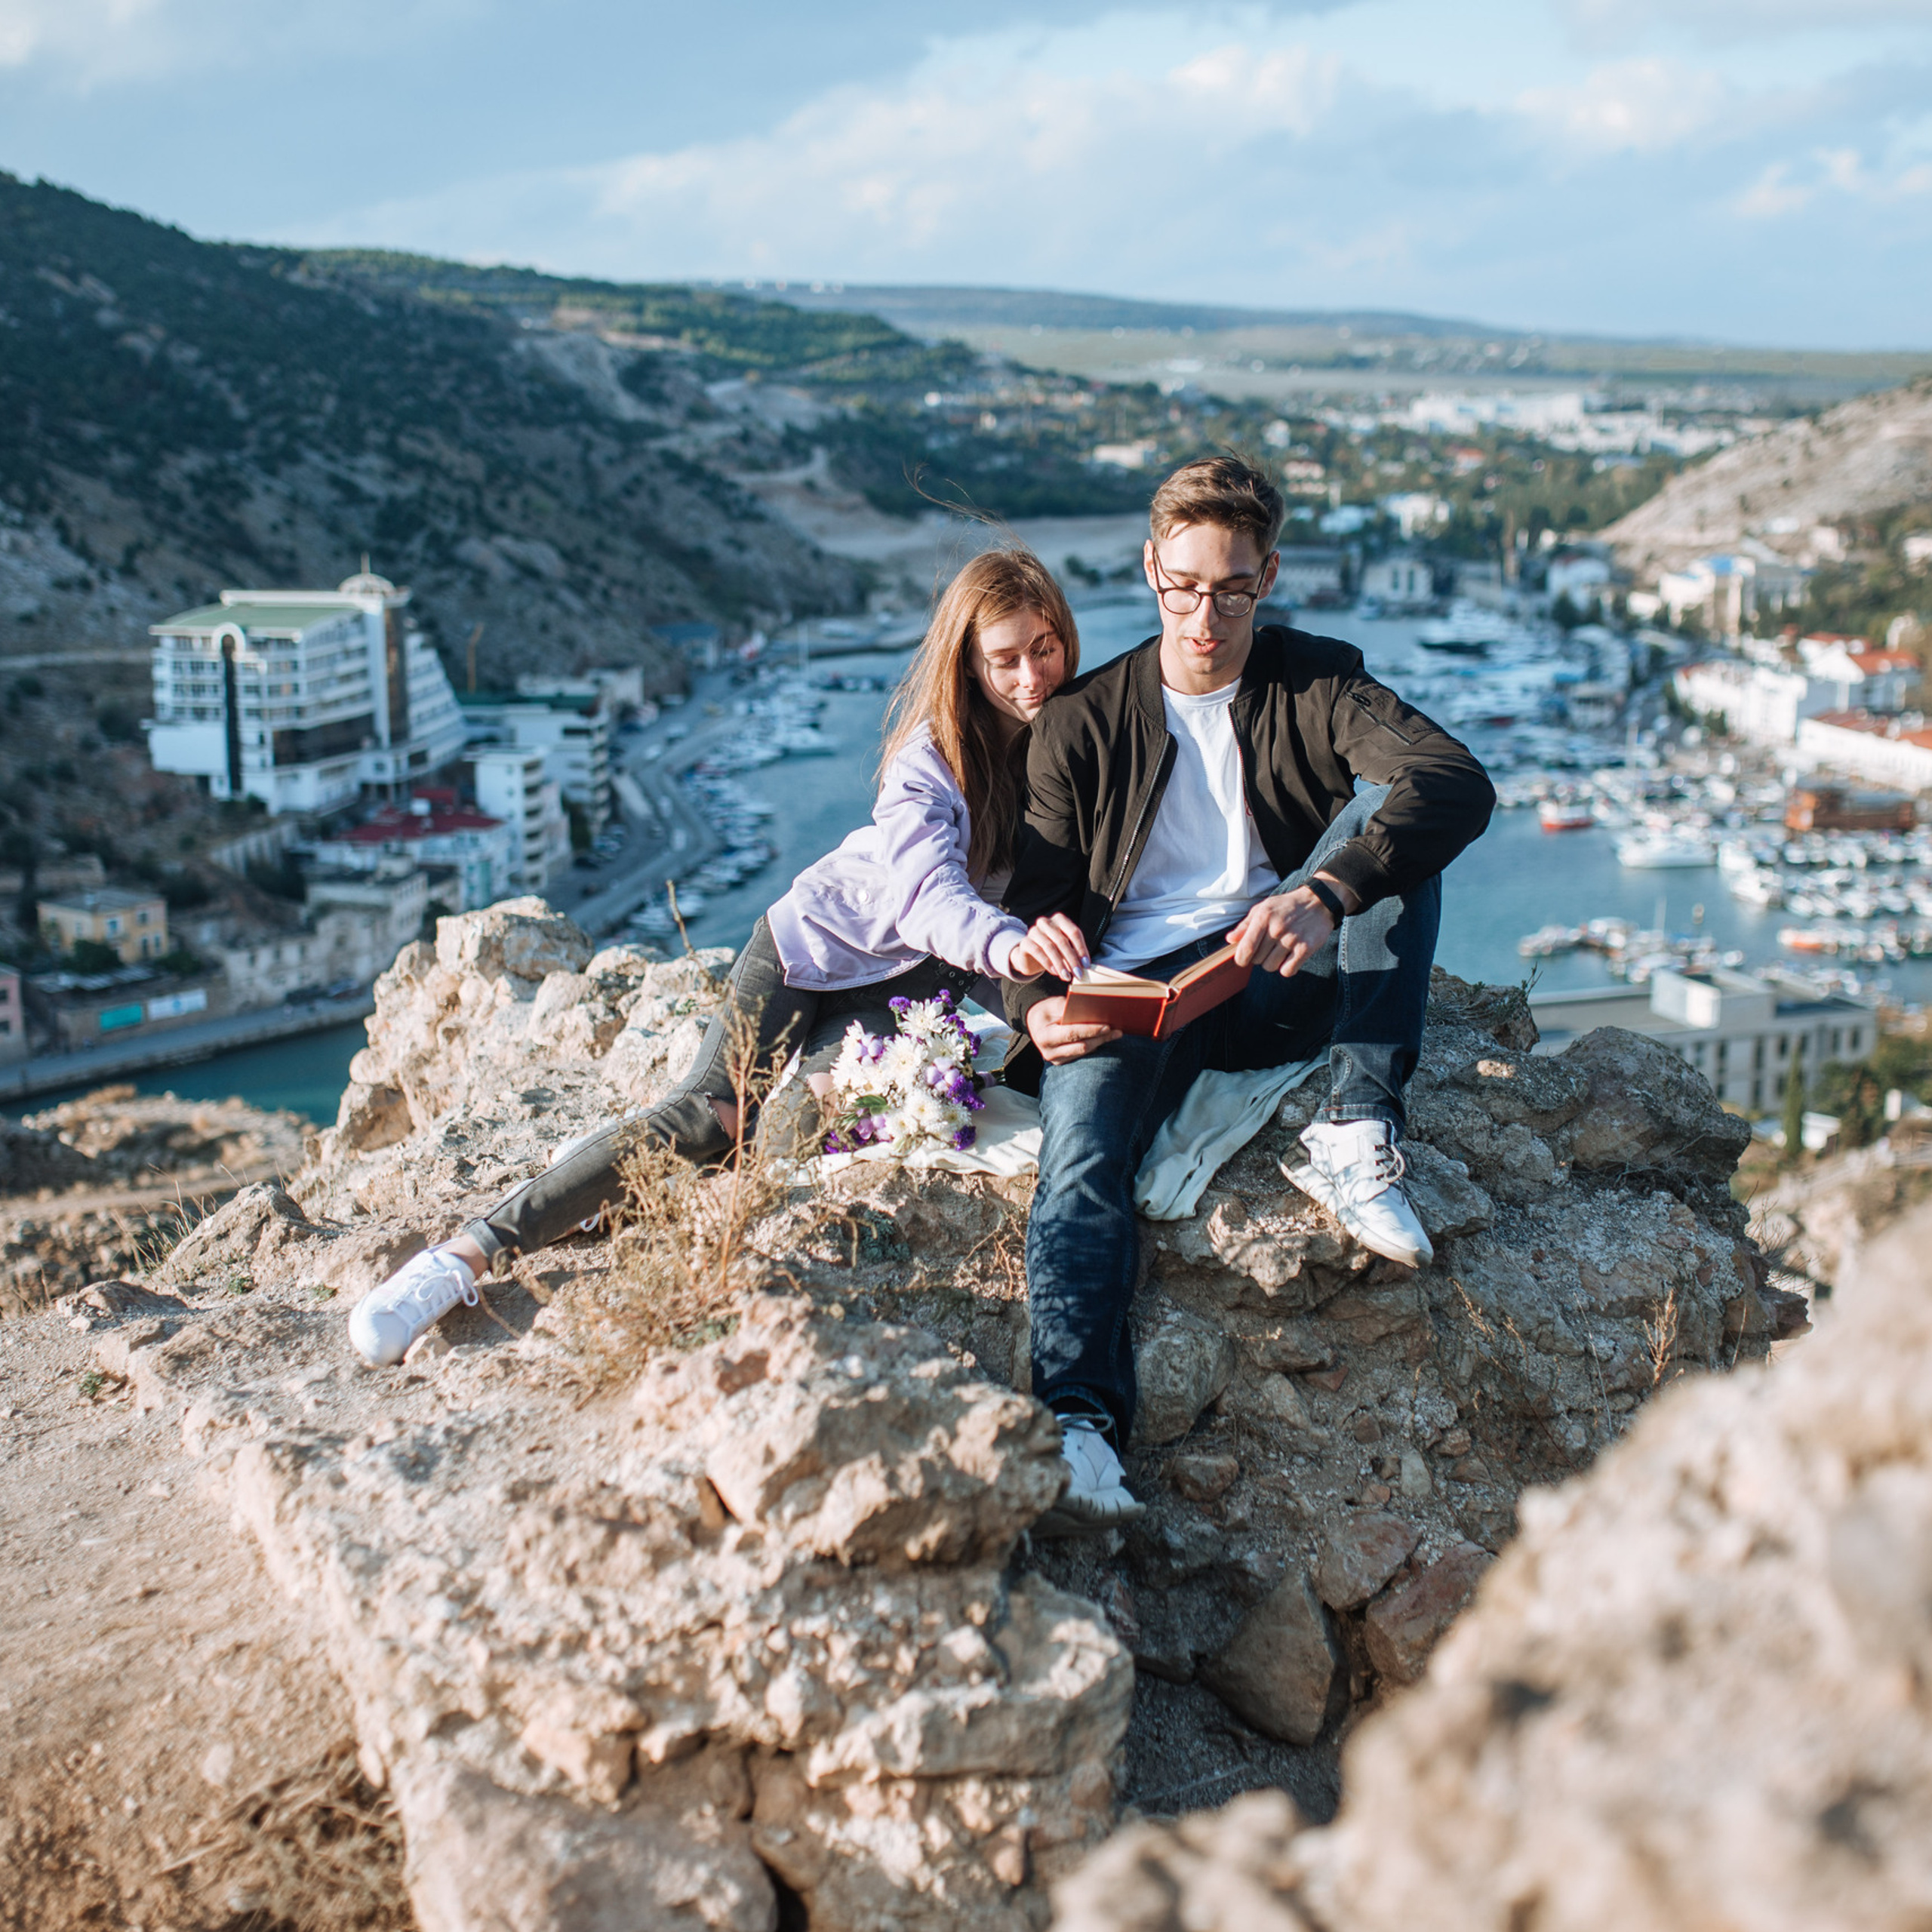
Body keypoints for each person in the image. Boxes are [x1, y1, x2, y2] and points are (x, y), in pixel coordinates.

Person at [349, 546, 1090, 1367]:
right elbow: (926, 896)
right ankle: (464, 1254)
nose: (1031, 677)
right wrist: (1010, 944)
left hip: (915, 984)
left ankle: (629, 1186)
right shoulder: (927, 762)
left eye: (1045, 648)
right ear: (968, 662)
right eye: (1006, 658)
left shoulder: (1073, 738)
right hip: (811, 946)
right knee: (713, 1115)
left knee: (788, 1132)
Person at [1002, 456, 1495, 1528]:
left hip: (1268, 975)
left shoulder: (1318, 680)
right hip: (1129, 992)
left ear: (1267, 576)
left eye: (1232, 588)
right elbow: (1027, 906)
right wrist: (1029, 1006)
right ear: (1150, 570)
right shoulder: (1080, 723)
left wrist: (1328, 886)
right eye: (1183, 584)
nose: (1205, 614)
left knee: (1398, 848)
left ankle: (1355, 1132)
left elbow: (1454, 781)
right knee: (1080, 1163)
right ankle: (1080, 1426)